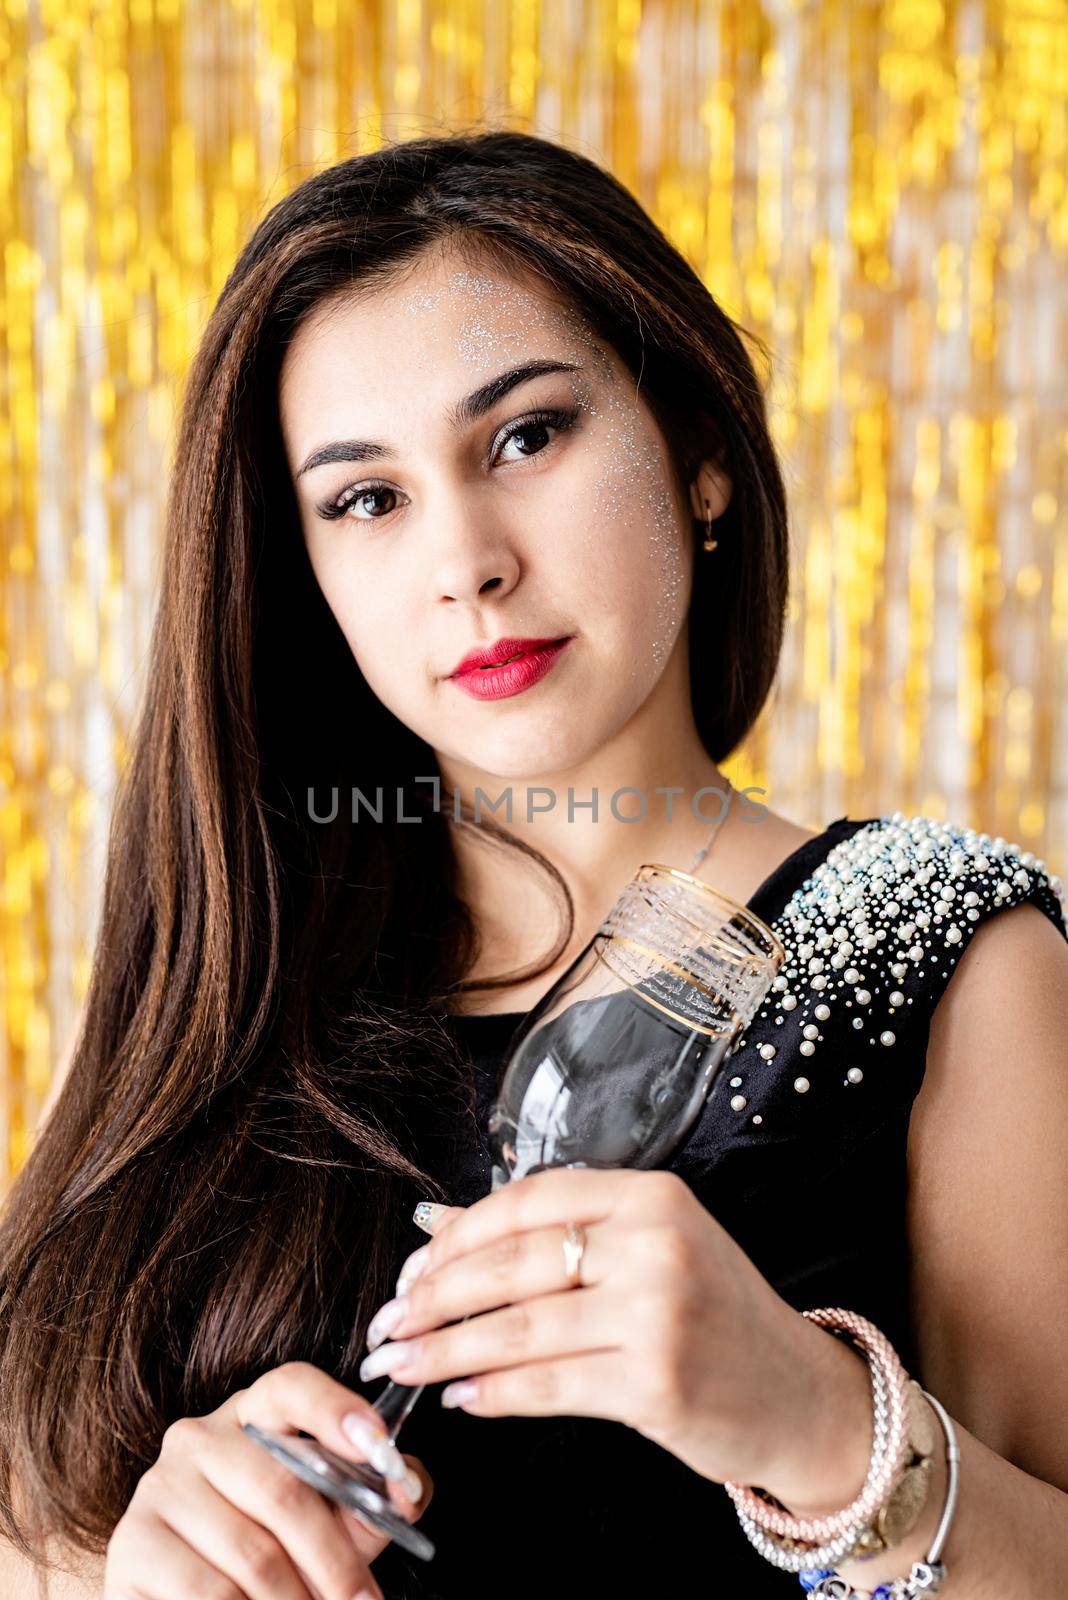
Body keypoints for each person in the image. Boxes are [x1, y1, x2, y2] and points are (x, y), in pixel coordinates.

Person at [1, 128, 1066, 1600]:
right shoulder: (232, 974)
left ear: (699, 455)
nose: (467, 561)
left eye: (525, 437)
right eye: (367, 500)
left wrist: (819, 1425)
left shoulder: (934, 958)